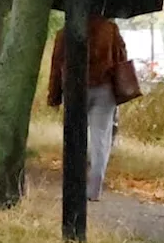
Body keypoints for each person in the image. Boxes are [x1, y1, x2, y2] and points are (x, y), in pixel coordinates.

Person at [48, 11, 128, 201]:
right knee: (100, 139)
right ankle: (93, 190)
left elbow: (56, 66)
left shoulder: (65, 33)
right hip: (104, 89)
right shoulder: (110, 30)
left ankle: (74, 187)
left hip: (74, 90)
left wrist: (54, 96)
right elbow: (122, 57)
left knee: (75, 137)